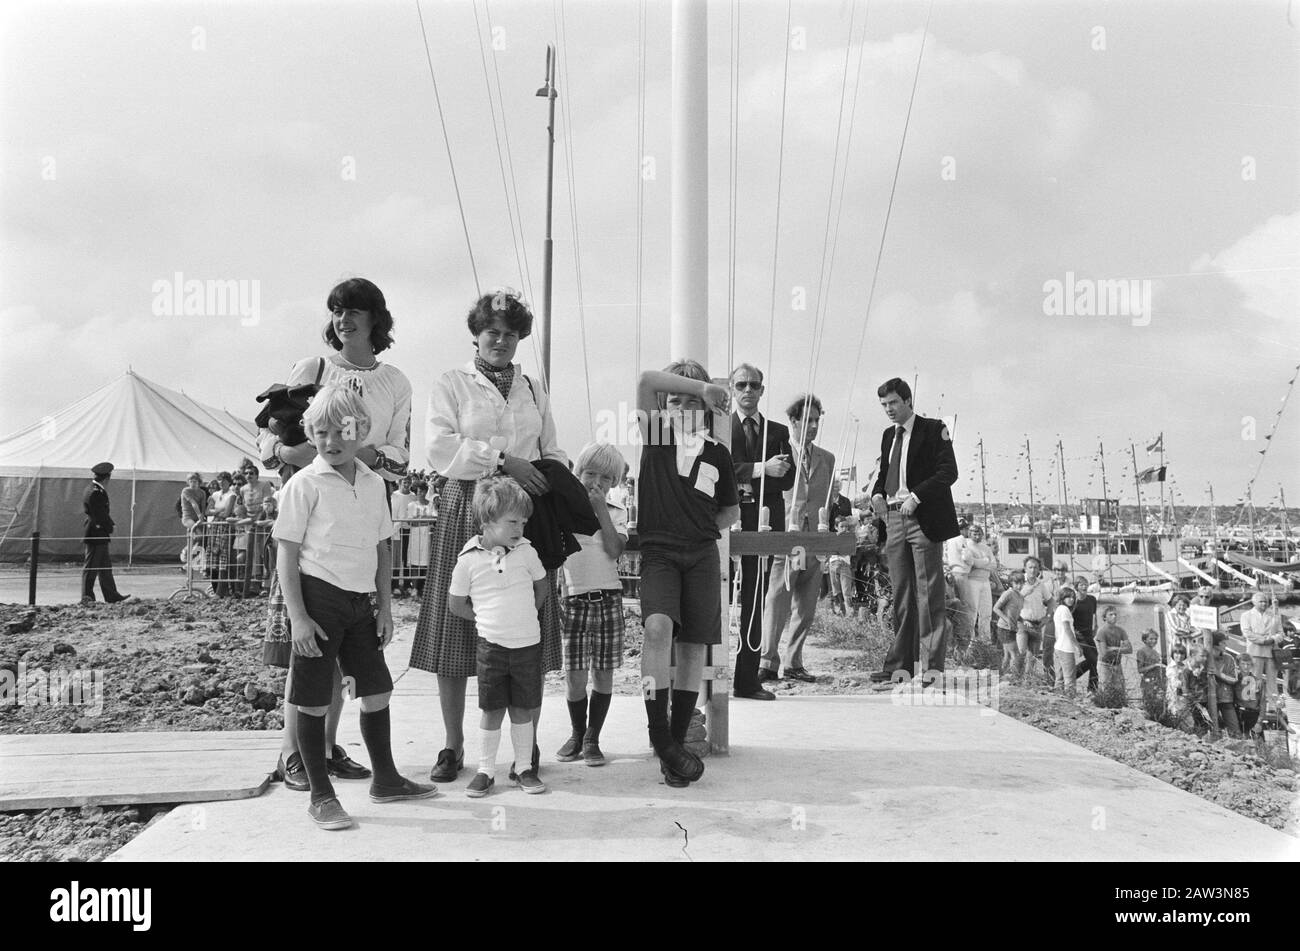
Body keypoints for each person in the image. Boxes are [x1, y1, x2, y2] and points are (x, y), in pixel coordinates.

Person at [411, 290, 567, 786]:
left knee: (528, 624)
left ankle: (527, 747)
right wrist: (502, 461)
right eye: (491, 332)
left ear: (520, 338)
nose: (500, 341)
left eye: (511, 333)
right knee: (459, 623)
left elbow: (551, 448)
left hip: (523, 511)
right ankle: (455, 745)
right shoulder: (453, 382)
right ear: (476, 334)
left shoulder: (534, 389)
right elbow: (438, 446)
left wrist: (554, 478)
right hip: (468, 504)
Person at [263, 277, 413, 792]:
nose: (342, 319)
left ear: (375, 318)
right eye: (335, 311)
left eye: (352, 310)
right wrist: (292, 453)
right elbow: (268, 430)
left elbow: (399, 456)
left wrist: (360, 452)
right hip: (309, 520)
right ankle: (294, 755)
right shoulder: (314, 368)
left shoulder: (395, 381)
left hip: (362, 502)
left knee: (346, 651)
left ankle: (327, 748)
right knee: (306, 646)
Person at [272, 385, 436, 829]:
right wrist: (298, 617)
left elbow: (382, 549)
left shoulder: (372, 482)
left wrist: (384, 608)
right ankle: (321, 796)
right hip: (318, 600)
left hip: (359, 604)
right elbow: (286, 552)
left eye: (343, 430)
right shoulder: (304, 484)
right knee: (312, 700)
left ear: (361, 430)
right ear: (310, 433)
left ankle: (385, 779)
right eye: (320, 432)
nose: (331, 441)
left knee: (377, 690)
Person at [636, 360, 737, 786]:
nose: (678, 405)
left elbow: (729, 510)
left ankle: (675, 746)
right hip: (659, 553)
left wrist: (698, 530)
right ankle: (660, 735)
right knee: (657, 629)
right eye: (672, 399)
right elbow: (645, 381)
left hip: (700, 554)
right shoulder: (656, 435)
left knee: (695, 646)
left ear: (704, 406)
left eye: (689, 401)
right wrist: (699, 384)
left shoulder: (717, 452)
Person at [448, 477, 551, 796]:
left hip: (526, 646)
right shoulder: (468, 560)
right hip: (491, 648)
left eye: (523, 521)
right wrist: (486, 619)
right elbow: (456, 603)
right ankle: (485, 769)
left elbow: (542, 586)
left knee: (523, 708)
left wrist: (525, 616)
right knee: (491, 709)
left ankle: (523, 768)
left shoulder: (527, 553)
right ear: (487, 520)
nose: (520, 527)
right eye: (512, 521)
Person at [868, 378, 959, 680]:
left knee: (930, 595)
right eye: (883, 405)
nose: (888, 409)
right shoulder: (887, 436)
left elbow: (949, 472)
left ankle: (933, 670)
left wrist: (917, 496)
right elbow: (884, 473)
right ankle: (900, 667)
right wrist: (878, 494)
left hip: (923, 519)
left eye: (893, 403)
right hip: (893, 520)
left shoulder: (934, 429)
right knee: (902, 594)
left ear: (907, 401)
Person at [556, 442, 628, 767]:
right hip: (573, 600)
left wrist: (601, 510)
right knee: (574, 675)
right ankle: (576, 731)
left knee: (603, 672)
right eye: (590, 473)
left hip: (608, 598)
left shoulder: (617, 512)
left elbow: (614, 550)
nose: (596, 481)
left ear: (614, 482)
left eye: (605, 477)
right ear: (578, 473)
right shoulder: (564, 510)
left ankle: (593, 738)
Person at [729, 363, 793, 700]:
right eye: (742, 384)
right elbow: (719, 468)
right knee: (717, 598)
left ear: (762, 390)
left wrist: (762, 473)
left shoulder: (778, 431)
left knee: (754, 600)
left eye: (754, 385)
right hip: (727, 522)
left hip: (765, 521)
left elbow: (789, 477)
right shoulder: (719, 429)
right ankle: (703, 679)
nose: (748, 390)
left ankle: (747, 679)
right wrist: (759, 469)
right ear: (732, 388)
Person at [761, 393, 834, 684]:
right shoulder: (778, 454)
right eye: (807, 420)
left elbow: (830, 498)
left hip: (814, 540)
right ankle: (768, 661)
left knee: (806, 604)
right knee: (778, 599)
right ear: (793, 421)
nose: (813, 425)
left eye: (817, 420)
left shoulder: (826, 458)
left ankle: (794, 662)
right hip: (786, 537)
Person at [80, 462, 129, 604]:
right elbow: (99, 514)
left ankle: (112, 595)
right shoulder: (96, 492)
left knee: (105, 568)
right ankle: (87, 597)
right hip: (96, 532)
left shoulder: (93, 489)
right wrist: (110, 526)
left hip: (98, 532)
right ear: (107, 478)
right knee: (91, 568)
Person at [1239, 593, 1278, 736]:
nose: (1264, 604)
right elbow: (1247, 633)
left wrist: (1272, 639)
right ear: (1254, 602)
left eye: (1265, 602)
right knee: (1254, 679)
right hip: (1255, 651)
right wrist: (1263, 640)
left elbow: (1280, 633)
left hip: (1271, 651)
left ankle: (1273, 706)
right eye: (1261, 601)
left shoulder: (1273, 615)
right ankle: (1252, 704)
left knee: (1272, 680)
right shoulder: (1246, 615)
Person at [1017, 556, 1051, 682]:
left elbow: (1051, 601)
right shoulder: (1019, 583)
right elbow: (1012, 603)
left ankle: (1027, 681)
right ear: (1025, 568)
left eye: (1035, 567)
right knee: (1021, 652)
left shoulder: (1041, 585)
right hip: (1022, 622)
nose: (1033, 570)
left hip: (1037, 624)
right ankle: (1015, 678)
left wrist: (1047, 617)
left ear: (1039, 570)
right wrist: (1021, 619)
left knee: (1033, 656)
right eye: (1030, 567)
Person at [960, 525, 995, 642]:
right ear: (969, 534)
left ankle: (985, 640)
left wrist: (979, 563)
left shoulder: (986, 548)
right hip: (972, 581)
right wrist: (985, 561)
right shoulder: (966, 545)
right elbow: (969, 561)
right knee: (972, 612)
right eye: (974, 533)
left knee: (986, 612)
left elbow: (994, 565)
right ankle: (970, 641)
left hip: (985, 581)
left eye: (979, 533)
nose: (977, 535)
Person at [825, 481, 855, 615]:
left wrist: (845, 526)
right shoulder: (827, 500)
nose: (836, 489)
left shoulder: (845, 501)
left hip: (843, 528)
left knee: (845, 586)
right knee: (834, 586)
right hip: (832, 533)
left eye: (837, 487)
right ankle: (837, 606)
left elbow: (849, 517)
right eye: (834, 487)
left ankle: (848, 608)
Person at [992, 569, 1025, 676]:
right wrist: (1007, 620)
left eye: (1021, 583)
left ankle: (1000, 675)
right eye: (1016, 583)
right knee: (1015, 653)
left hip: (1012, 628)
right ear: (1011, 583)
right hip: (1004, 628)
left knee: (1007, 655)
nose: (1019, 586)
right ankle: (1014, 677)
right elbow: (996, 608)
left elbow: (1016, 613)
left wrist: (1022, 620)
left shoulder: (1020, 597)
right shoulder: (1008, 593)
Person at [1070, 576, 1099, 693]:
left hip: (1089, 634)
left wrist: (1096, 627)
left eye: (1086, 584)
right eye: (1081, 584)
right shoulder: (1074, 602)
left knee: (1095, 660)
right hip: (1079, 635)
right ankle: (1092, 689)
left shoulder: (1092, 599)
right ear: (1076, 587)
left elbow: (1094, 615)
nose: (1085, 586)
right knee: (1093, 659)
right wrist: (1075, 641)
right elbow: (1069, 621)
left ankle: (1091, 688)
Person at [1209, 632, 1241, 736]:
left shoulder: (1229, 658)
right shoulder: (1206, 657)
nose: (1225, 645)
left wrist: (1219, 674)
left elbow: (1234, 678)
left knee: (1235, 731)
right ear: (1215, 644)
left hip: (1226, 698)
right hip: (1207, 699)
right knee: (1211, 730)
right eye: (1223, 643)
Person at [1051, 587, 1081, 698]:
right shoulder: (1064, 610)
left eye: (1073, 597)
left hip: (1058, 647)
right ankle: (1071, 700)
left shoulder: (1058, 609)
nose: (1071, 599)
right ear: (1063, 598)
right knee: (1070, 678)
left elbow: (1057, 632)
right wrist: (1077, 646)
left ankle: (1058, 699)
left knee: (1059, 678)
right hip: (1066, 648)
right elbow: (1067, 629)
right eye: (1068, 597)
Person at [406, 481, 434, 598]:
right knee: (414, 562)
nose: (420, 493)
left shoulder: (431, 504)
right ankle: (414, 588)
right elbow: (410, 522)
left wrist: (420, 519)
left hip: (427, 537)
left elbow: (433, 519)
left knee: (426, 562)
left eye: (423, 491)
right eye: (418, 491)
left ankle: (425, 588)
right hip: (416, 537)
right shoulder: (412, 505)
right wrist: (425, 520)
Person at [390, 476, 416, 596]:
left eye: (409, 482)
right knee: (396, 559)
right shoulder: (394, 496)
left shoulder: (413, 496)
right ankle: (394, 584)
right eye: (405, 481)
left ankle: (407, 583)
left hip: (408, 530)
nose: (407, 484)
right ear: (400, 482)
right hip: (396, 531)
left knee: (407, 558)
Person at [1097, 606, 1133, 691]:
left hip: (1117, 664)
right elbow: (1104, 652)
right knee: (1105, 689)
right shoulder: (1101, 631)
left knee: (1120, 689)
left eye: (1115, 614)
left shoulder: (1121, 630)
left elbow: (1129, 649)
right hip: (1104, 665)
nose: (1114, 616)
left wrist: (1114, 649)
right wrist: (1121, 649)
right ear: (1104, 617)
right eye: (1111, 614)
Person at [1135, 630, 1164, 709]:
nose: (1154, 641)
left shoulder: (1155, 652)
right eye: (1151, 639)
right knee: (1148, 704)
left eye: (1155, 639)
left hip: (1157, 681)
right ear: (1144, 640)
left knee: (1158, 704)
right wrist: (1154, 665)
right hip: (1147, 682)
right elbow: (1140, 670)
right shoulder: (1141, 652)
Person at [1235, 661, 1261, 735]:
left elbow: (1262, 702)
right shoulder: (1234, 680)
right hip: (1238, 711)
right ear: (1238, 665)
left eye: (1248, 664)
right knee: (1237, 737)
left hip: (1253, 713)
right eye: (1242, 664)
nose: (1245, 666)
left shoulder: (1258, 681)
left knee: (1254, 739)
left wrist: (1260, 720)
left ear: (1251, 666)